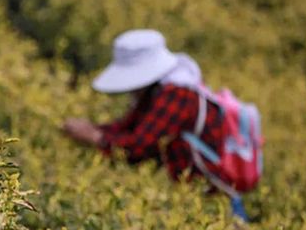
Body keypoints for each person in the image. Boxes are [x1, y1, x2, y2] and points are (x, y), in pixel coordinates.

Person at [62, 29, 223, 183]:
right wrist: (92, 129)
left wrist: (94, 136)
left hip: (209, 186)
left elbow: (140, 146)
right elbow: (128, 126)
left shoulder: (177, 92)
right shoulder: (156, 89)